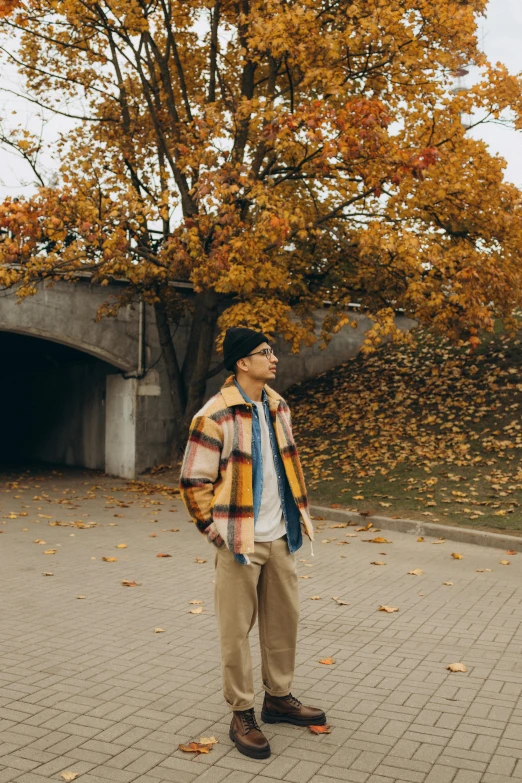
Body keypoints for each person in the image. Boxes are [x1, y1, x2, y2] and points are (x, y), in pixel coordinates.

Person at [179, 327, 326, 760]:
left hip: (280, 535)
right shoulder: (215, 414)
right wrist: (216, 534)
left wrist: (293, 519)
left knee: (284, 622)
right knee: (235, 632)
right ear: (243, 362)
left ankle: (278, 698)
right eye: (266, 352)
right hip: (239, 540)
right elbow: (193, 481)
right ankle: (241, 711)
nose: (274, 358)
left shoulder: (279, 405)